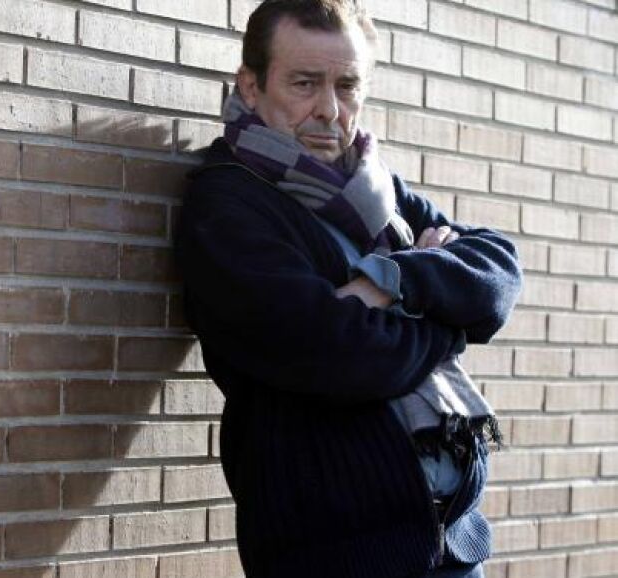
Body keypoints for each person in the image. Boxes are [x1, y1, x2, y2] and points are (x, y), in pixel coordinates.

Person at [173, 1, 523, 577]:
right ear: (252, 86)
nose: (330, 109)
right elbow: (335, 355)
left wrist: (393, 279)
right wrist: (446, 323)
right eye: (305, 84)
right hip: (335, 554)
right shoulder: (228, 206)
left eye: (347, 86)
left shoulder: (374, 189)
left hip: (452, 545)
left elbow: (497, 272)